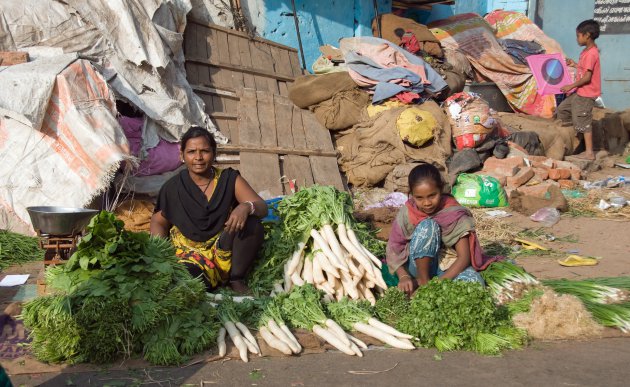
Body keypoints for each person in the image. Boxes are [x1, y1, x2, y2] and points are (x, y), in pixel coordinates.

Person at [150, 127, 266, 294]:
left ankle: (236, 279)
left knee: (253, 223)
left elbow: (261, 206)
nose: (198, 157)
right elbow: (158, 221)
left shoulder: (229, 179)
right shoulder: (173, 187)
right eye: (191, 152)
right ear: (182, 155)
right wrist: (160, 256)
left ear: (214, 153)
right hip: (190, 254)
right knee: (188, 283)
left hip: (223, 245)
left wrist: (246, 206)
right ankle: (209, 279)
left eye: (204, 151)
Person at [386, 164, 499, 296]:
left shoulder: (453, 212)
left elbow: (464, 258)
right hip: (416, 266)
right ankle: (422, 280)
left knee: (474, 284)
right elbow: (394, 247)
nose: (427, 203)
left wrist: (437, 285)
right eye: (419, 198)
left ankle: (423, 286)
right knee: (428, 226)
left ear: (441, 190)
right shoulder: (408, 212)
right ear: (411, 195)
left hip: (446, 268)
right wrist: (403, 276)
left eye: (432, 195)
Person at [558, 19, 601, 161]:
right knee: (562, 110)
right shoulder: (585, 52)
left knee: (583, 120)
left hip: (586, 93)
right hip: (580, 92)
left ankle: (589, 152)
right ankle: (575, 138)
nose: (577, 39)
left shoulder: (591, 54)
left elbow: (587, 77)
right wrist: (574, 64)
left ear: (587, 35)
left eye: (578, 36)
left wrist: (570, 86)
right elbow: (584, 70)